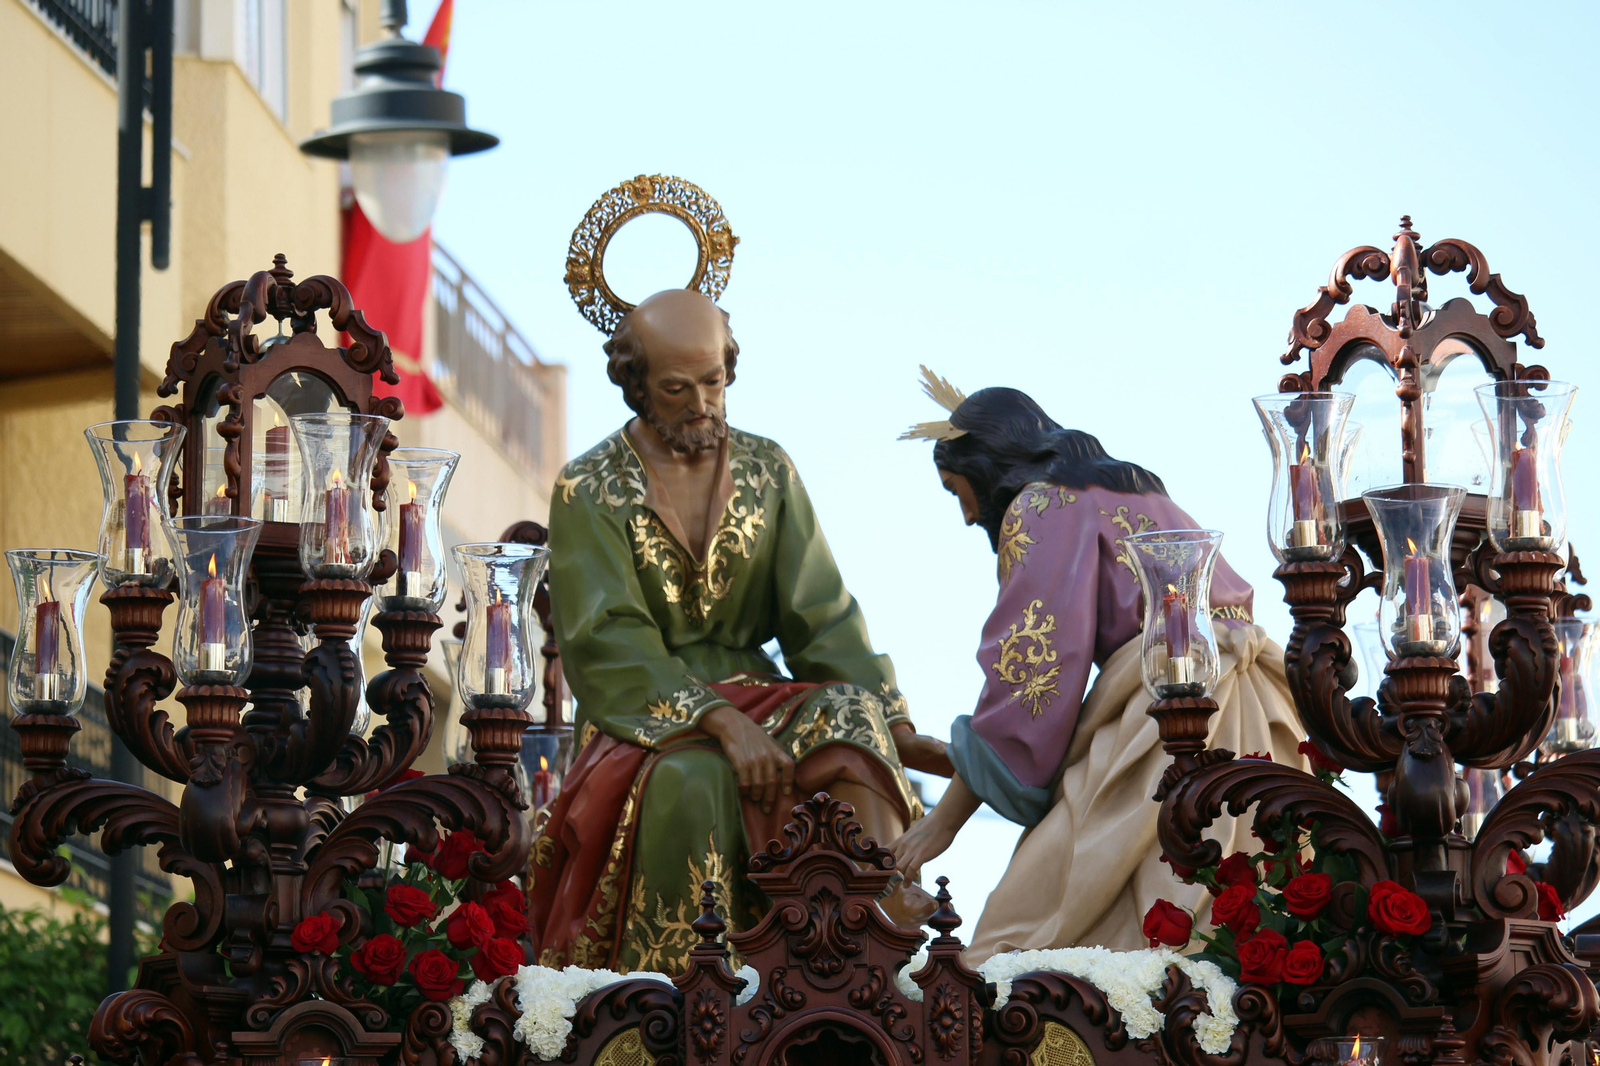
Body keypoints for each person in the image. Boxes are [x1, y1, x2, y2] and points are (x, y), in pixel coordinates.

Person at [528, 290, 952, 975]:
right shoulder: (588, 486)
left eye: (713, 381)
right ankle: (688, 987)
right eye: (675, 387)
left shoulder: (767, 469)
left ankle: (876, 915)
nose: (701, 402)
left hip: (765, 694)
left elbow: (822, 616)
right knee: (691, 783)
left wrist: (894, 726)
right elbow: (606, 639)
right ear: (636, 386)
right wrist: (721, 721)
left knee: (849, 714)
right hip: (644, 713)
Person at [888, 373, 1306, 958]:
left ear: (986, 467)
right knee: (1245, 922)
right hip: (1256, 713)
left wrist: (943, 822)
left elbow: (1032, 674)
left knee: (1025, 942)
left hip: (1161, 722)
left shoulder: (1042, 504)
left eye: (957, 490)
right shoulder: (1139, 489)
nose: (964, 516)